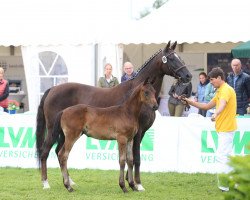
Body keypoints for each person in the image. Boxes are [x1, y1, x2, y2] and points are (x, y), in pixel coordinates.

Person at [182, 67, 237, 192]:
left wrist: (216, 114)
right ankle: (234, 182)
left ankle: (224, 187)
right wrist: (189, 101)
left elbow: (222, 104)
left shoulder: (226, 90)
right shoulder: (220, 90)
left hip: (226, 129)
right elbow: (206, 106)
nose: (210, 82)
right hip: (224, 128)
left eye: (212, 80)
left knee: (221, 157)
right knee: (225, 157)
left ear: (219, 78)